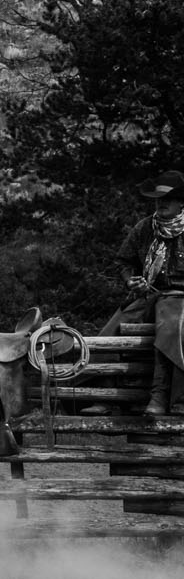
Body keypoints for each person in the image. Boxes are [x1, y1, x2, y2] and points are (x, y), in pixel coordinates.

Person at [112, 169, 184, 416]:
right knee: (109, 333)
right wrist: (131, 281)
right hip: (147, 295)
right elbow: (123, 261)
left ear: (180, 202)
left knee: (171, 331)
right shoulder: (145, 228)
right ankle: (108, 395)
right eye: (158, 199)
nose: (161, 204)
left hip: (179, 299)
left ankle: (161, 396)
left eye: (167, 199)